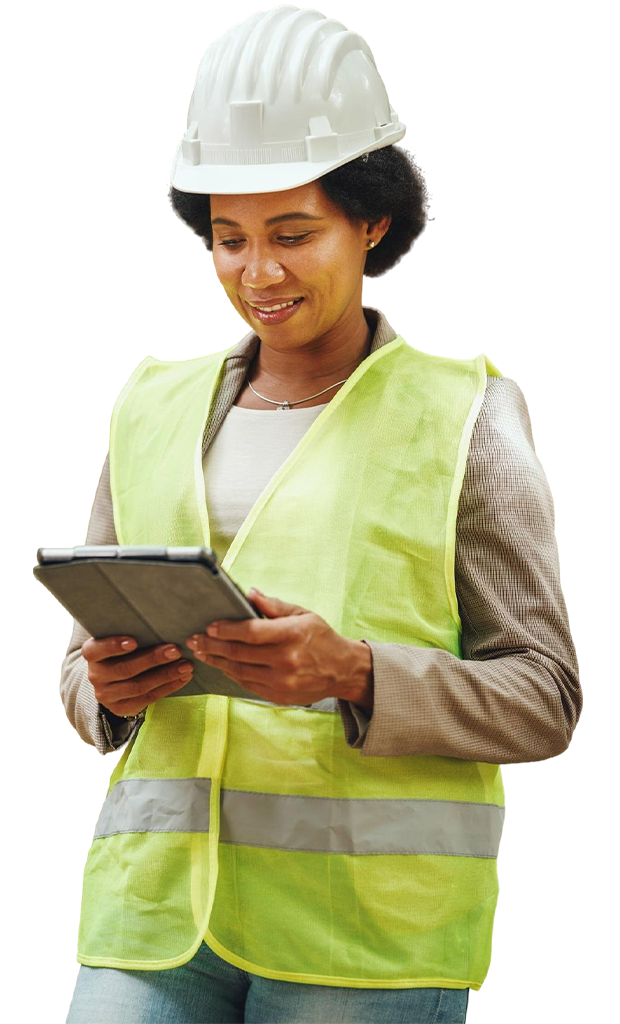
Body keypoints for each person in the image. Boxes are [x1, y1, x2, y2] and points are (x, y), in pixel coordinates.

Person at [60, 6, 582, 1023]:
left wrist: (355, 672)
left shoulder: (465, 413)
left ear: (371, 221)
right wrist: (106, 690)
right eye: (229, 239)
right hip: (152, 921)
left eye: (292, 235)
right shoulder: (151, 405)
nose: (258, 274)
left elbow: (544, 695)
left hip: (362, 940)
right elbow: (79, 672)